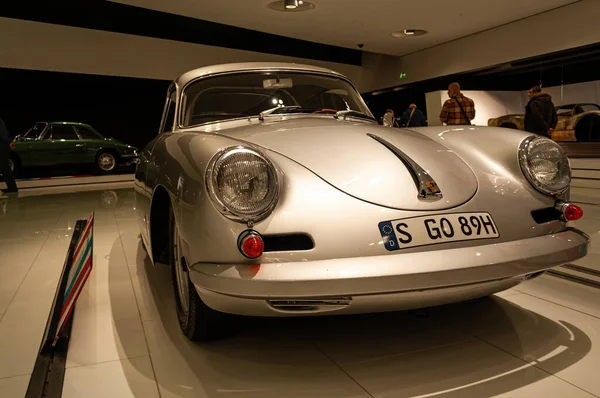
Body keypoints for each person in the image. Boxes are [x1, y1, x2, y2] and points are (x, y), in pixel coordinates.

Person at [0, 116, 18, 194]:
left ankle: (12, 188)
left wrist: (8, 142)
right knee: (5, 167)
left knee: (5, 167)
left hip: (2, 145)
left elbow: (3, 134)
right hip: (3, 144)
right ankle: (12, 187)